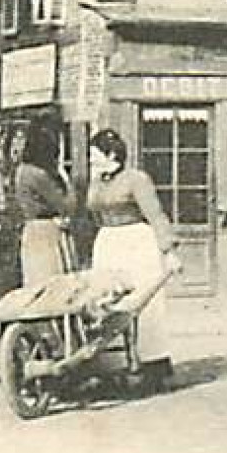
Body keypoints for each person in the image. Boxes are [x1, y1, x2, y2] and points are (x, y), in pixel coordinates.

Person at [86, 127, 182, 390]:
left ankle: (155, 365)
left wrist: (169, 251)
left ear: (112, 156)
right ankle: (114, 364)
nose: (91, 162)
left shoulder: (137, 179)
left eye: (95, 157)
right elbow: (90, 213)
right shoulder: (96, 183)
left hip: (137, 243)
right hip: (107, 242)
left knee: (144, 303)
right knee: (108, 302)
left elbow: (155, 215)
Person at [15, 120, 75, 286]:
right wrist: (65, 178)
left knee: (34, 280)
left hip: (31, 230)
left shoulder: (22, 171)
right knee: (51, 282)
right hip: (47, 232)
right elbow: (67, 205)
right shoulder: (39, 175)